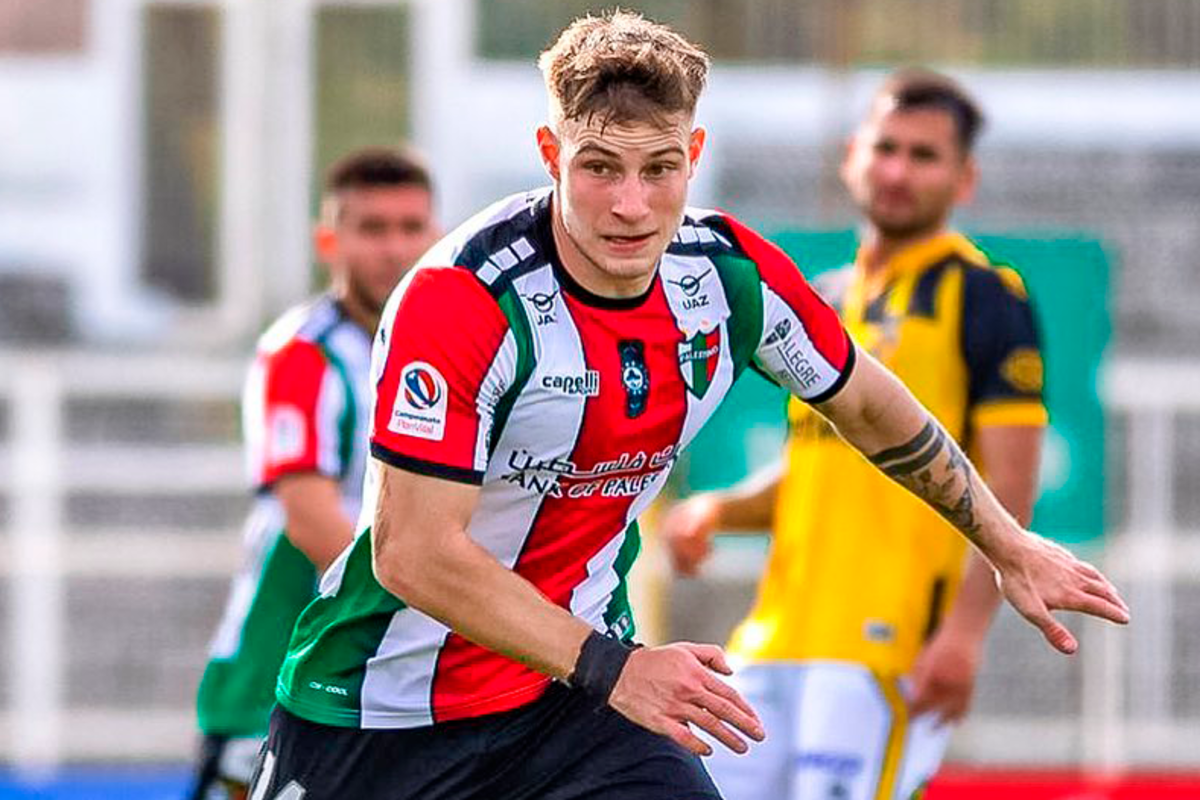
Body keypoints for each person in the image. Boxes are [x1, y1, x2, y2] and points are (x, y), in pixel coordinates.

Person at [249, 14, 1127, 800]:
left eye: (658, 168)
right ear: (553, 155)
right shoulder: (465, 297)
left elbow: (863, 402)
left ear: (693, 156)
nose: (632, 205)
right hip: (383, 714)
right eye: (599, 168)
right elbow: (412, 553)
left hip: (571, 711)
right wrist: (616, 668)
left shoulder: (726, 276)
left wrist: (1007, 543)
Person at [661, 70, 1052, 800]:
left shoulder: (985, 295)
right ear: (852, 156)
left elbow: (1010, 484)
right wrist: (720, 510)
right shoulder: (828, 300)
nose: (899, 171)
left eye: (925, 156)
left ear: (963, 178)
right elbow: (817, 467)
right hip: (774, 639)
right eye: (886, 148)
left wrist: (963, 637)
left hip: (886, 648)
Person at [186, 146, 439, 800]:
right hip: (276, 673)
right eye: (372, 228)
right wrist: (455, 604)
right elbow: (309, 520)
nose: (394, 248)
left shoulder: (453, 350)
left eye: (411, 228)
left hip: (393, 674)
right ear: (330, 239)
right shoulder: (299, 354)